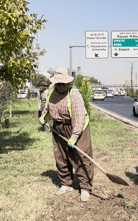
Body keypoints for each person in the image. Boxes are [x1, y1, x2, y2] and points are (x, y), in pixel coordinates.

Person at [39, 68, 94, 202]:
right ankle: (66, 184)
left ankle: (85, 187)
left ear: (68, 83)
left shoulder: (74, 94)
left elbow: (79, 117)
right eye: (58, 83)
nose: (60, 86)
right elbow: (48, 105)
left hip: (76, 126)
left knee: (81, 157)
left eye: (63, 83)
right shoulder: (52, 91)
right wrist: (43, 117)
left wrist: (74, 136)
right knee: (61, 156)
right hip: (59, 128)